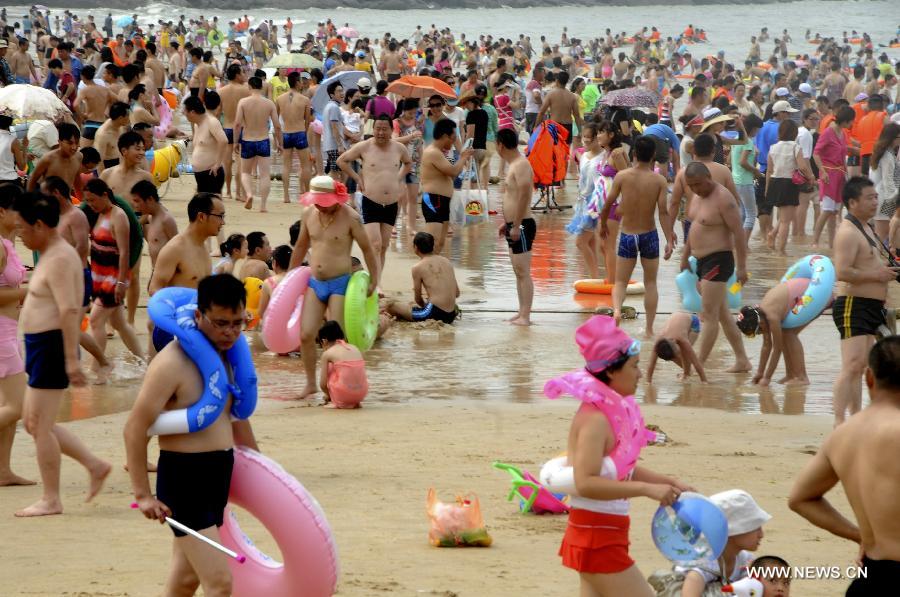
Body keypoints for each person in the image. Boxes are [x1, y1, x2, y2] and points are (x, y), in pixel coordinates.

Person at [125, 274, 249, 596]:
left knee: (184, 581)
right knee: (219, 584)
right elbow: (135, 429)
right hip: (185, 480)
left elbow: (234, 417)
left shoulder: (229, 358)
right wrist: (142, 494)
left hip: (218, 474)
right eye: (221, 323)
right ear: (198, 315)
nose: (230, 332)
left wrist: (259, 463)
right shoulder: (171, 363)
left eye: (238, 323)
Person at [556, 315, 690, 597]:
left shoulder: (606, 412)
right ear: (612, 371)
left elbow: (618, 468)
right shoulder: (596, 421)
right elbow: (586, 482)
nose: (641, 374)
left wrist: (670, 481)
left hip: (602, 534)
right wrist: (646, 490)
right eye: (635, 366)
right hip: (596, 538)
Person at [13, 192, 111, 517]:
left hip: (53, 346)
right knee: (33, 422)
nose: (21, 237)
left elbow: (70, 310)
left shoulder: (58, 259)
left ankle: (51, 498)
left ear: (40, 225)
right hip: (42, 346)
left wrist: (71, 360)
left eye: (23, 230)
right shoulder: (50, 254)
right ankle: (94, 465)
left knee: (40, 424)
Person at [789, 336, 900, 595]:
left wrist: (859, 534)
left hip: (871, 577)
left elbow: (800, 499)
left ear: (869, 378)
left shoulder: (842, 435)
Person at [288, 176, 379, 399]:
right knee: (307, 334)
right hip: (315, 282)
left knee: (337, 339)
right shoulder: (309, 214)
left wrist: (375, 280)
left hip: (340, 284)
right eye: (316, 201)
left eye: (324, 201)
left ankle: (335, 386)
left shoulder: (351, 218)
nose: (319, 205)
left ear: (336, 199)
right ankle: (310, 383)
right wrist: (288, 279)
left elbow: (368, 249)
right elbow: (300, 247)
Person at [830, 176, 899, 425]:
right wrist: (878, 275)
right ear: (852, 202)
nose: (875, 201)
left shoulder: (866, 227)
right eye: (869, 198)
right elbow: (842, 271)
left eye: (876, 196)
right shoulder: (847, 232)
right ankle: (839, 422)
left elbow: (875, 263)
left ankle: (856, 418)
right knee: (852, 364)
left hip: (872, 305)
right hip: (853, 304)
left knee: (861, 367)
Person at [681, 162, 752, 373]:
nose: (695, 189)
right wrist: (685, 257)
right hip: (701, 261)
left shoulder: (724, 199)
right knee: (722, 315)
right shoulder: (696, 197)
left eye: (698, 184)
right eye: (691, 185)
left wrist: (742, 267)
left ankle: (698, 365)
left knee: (708, 314)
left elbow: (739, 233)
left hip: (719, 260)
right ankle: (742, 361)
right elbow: (694, 226)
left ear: (708, 177)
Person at [599, 136, 671, 335]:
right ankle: (648, 329)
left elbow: (608, 204)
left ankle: (616, 312)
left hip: (628, 235)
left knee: (620, 282)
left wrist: (603, 224)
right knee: (650, 283)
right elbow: (663, 212)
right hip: (649, 235)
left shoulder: (623, 176)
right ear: (654, 155)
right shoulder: (659, 180)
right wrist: (670, 239)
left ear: (635, 154)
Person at [653, 489, 770, 596]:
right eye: (755, 527)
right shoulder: (707, 559)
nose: (761, 534)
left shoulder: (745, 559)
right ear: (733, 531)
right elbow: (690, 590)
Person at [338, 115, 411, 279]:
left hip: (392, 203)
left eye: (384, 129)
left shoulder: (399, 148)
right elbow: (342, 161)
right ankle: (375, 283)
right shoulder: (364, 147)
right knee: (375, 244)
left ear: (392, 130)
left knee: (384, 246)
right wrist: (357, 177)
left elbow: (408, 164)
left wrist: (398, 177)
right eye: (377, 128)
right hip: (371, 200)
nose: (380, 132)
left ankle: (376, 282)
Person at [82, 178, 144, 363]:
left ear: (105, 195)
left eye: (93, 200)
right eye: (88, 201)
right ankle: (143, 360)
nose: (90, 204)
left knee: (95, 321)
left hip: (113, 278)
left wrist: (121, 282)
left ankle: (99, 367)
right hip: (99, 277)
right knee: (119, 323)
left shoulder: (119, 216)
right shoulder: (101, 213)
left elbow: (124, 252)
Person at [736, 272, 825, 387]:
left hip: (817, 292)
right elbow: (766, 345)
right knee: (784, 333)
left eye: (757, 332)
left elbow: (776, 350)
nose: (759, 334)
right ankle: (791, 374)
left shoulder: (771, 317)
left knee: (788, 333)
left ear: (761, 324)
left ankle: (802, 377)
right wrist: (760, 373)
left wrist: (767, 378)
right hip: (802, 291)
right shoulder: (761, 314)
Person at [0, 187, 31, 486]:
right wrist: (33, 291)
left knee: (8, 405)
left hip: (8, 330)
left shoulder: (8, 243)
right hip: (1, 334)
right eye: (17, 210)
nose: (22, 217)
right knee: (17, 406)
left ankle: (3, 470)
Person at [497, 128, 536, 326]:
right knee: (517, 271)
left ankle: (526, 316)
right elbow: (514, 197)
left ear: (500, 145)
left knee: (522, 270)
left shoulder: (520, 165)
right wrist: (508, 223)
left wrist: (517, 225)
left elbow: (524, 195)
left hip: (522, 225)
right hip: (515, 224)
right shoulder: (513, 164)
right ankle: (521, 312)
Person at [420, 119, 474, 254]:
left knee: (440, 243)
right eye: (453, 138)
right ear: (444, 136)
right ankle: (427, 271)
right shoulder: (433, 152)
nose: (454, 142)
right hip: (433, 199)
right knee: (432, 242)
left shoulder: (439, 152)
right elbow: (453, 172)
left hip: (442, 200)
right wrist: (463, 157)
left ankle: (434, 271)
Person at [387, 231, 460, 324]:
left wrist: (425, 305)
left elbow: (417, 298)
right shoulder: (446, 261)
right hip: (451, 315)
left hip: (434, 313)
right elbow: (457, 293)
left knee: (391, 306)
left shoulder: (417, 267)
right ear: (433, 246)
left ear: (415, 248)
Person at [765, 119, 814, 255]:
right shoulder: (795, 147)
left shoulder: (773, 147)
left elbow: (769, 170)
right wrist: (811, 177)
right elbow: (803, 166)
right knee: (787, 220)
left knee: (786, 215)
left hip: (775, 182)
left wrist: (767, 189)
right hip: (788, 183)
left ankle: (772, 235)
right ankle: (781, 251)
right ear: (794, 133)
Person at [812, 106, 855, 248]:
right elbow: (816, 153)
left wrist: (846, 175)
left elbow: (844, 154)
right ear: (845, 120)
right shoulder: (828, 132)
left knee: (835, 212)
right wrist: (822, 172)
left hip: (840, 174)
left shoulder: (842, 133)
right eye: (851, 121)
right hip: (828, 175)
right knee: (827, 210)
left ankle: (831, 244)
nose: (852, 124)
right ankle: (815, 241)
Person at [235, 76, 280, 212]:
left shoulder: (243, 102)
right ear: (261, 87)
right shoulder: (269, 103)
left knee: (245, 172)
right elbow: (277, 126)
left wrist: (235, 142)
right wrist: (280, 143)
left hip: (248, 140)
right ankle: (263, 206)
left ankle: (249, 194)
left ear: (249, 87)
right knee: (265, 174)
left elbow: (237, 124)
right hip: (263, 140)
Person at [277, 71, 313, 198]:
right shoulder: (305, 100)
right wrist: (305, 131)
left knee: (286, 165)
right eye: (301, 81)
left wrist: (278, 138)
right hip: (299, 132)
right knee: (305, 165)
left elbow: (276, 120)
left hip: (286, 133)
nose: (302, 83)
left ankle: (286, 195)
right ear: (297, 82)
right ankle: (308, 193)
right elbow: (308, 119)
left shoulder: (280, 99)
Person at [217, 63, 250, 201]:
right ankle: (239, 193)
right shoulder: (246, 90)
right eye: (242, 73)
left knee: (227, 163)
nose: (244, 75)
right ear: (237, 75)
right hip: (242, 128)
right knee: (240, 162)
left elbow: (218, 113)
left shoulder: (221, 91)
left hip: (226, 128)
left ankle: (228, 191)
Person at [183, 96, 228, 195]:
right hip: (200, 174)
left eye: (185, 111)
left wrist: (217, 164)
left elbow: (224, 141)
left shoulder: (212, 122)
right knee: (201, 207)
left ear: (192, 112)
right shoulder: (196, 125)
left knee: (211, 207)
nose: (183, 113)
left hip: (212, 173)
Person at [317, 320, 367, 409]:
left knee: (332, 368)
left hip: (344, 395)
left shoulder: (327, 354)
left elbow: (323, 384)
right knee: (344, 367)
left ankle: (337, 400)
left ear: (324, 341)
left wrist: (329, 396)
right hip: (361, 394)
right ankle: (354, 401)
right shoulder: (354, 347)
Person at [732, 114, 765, 249]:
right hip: (745, 182)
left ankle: (737, 243)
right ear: (753, 129)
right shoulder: (748, 142)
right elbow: (743, 162)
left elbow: (730, 160)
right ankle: (743, 245)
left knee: (742, 214)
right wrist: (756, 172)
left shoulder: (736, 139)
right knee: (751, 214)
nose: (757, 132)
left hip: (735, 180)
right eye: (757, 129)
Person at [646, 312, 707, 384]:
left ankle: (686, 374)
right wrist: (648, 382)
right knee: (671, 354)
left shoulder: (682, 339)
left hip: (693, 322)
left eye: (677, 352)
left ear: (674, 341)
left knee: (685, 353)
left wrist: (704, 381)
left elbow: (696, 362)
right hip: (678, 317)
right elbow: (651, 364)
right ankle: (687, 372)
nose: (678, 356)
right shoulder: (658, 344)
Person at [27, 123, 82, 195]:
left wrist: (83, 201)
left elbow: (77, 182)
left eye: (77, 143)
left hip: (66, 201)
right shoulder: (48, 159)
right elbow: (32, 181)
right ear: (60, 142)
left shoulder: (79, 157)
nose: (74, 147)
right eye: (70, 143)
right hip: (49, 202)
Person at [869, 122, 900, 241]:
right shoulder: (887, 156)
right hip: (886, 198)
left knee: (883, 236)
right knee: (883, 237)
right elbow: (888, 182)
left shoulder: (882, 152)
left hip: (881, 196)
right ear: (892, 138)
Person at [321, 80, 346, 180]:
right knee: (336, 172)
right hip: (334, 145)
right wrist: (340, 145)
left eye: (342, 90)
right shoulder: (334, 107)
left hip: (330, 145)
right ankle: (334, 193)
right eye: (339, 91)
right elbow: (334, 127)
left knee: (335, 170)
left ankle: (334, 192)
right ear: (332, 95)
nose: (342, 93)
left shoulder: (329, 106)